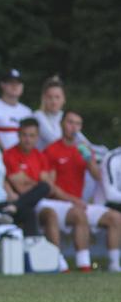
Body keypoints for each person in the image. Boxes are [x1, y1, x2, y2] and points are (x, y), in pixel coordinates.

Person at [43, 111, 121, 272]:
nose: (73, 127)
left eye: (77, 124)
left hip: (78, 203)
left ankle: (114, 265)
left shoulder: (83, 149)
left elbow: (98, 176)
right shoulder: (52, 150)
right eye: (70, 123)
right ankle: (83, 265)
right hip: (58, 203)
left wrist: (90, 160)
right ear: (62, 125)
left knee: (115, 218)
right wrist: (73, 200)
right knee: (79, 214)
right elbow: (50, 186)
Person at [3, 118, 69, 269]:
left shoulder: (40, 156)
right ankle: (52, 259)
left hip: (32, 200)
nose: (27, 139)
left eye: (32, 135)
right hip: (23, 200)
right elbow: (19, 186)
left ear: (37, 137)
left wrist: (35, 185)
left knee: (48, 200)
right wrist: (38, 184)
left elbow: (48, 187)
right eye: (25, 135)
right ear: (18, 135)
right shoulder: (9, 155)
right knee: (44, 208)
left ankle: (55, 257)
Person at [33, 76, 89, 151]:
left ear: (64, 99)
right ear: (44, 98)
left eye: (57, 97)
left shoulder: (65, 116)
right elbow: (53, 140)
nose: (54, 102)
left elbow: (83, 141)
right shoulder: (38, 116)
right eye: (50, 97)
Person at [0, 69, 33, 150]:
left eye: (18, 83)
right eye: (11, 82)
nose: (15, 86)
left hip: (21, 158)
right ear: (2, 84)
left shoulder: (27, 112)